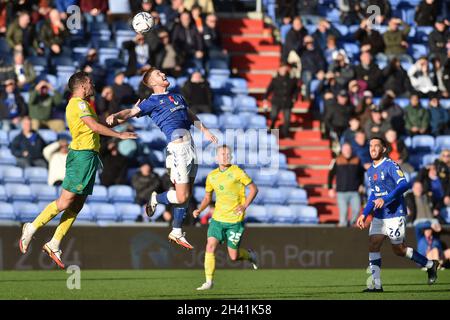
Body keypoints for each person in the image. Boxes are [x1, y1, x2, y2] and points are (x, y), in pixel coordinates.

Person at [19, 71, 137, 269]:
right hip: (81, 156)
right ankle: (32, 227)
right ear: (82, 86)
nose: (93, 86)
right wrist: (120, 136)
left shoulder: (85, 105)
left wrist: (132, 112)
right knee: (65, 201)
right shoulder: (78, 104)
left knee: (77, 204)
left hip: (90, 157)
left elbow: (101, 124)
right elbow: (95, 127)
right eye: (90, 82)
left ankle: (54, 243)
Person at [106, 67, 218, 250]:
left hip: (191, 147)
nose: (163, 74)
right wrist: (115, 115)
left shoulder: (178, 96)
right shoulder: (151, 102)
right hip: (177, 149)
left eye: (162, 73)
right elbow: (130, 113)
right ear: (152, 83)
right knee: (181, 195)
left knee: (186, 195)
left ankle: (176, 231)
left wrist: (205, 130)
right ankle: (156, 199)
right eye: (158, 74)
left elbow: (189, 115)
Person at [356, 137, 439, 292]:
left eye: (376, 146)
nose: (372, 148)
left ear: (384, 149)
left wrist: (386, 199)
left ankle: (429, 264)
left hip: (395, 213)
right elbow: (374, 195)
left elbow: (404, 185)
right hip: (380, 215)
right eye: (370, 146)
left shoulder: (391, 165)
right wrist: (364, 213)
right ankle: (376, 285)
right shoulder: (370, 170)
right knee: (373, 244)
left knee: (399, 250)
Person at [193, 145, 258, 291]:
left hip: (235, 221)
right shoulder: (212, 176)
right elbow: (207, 197)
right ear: (217, 157)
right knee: (210, 246)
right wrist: (200, 209)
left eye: (228, 154)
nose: (225, 156)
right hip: (217, 219)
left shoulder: (237, 172)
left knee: (234, 257)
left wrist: (244, 205)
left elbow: (254, 189)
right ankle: (209, 281)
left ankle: (249, 255)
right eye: (222, 154)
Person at [328, 143, 364, 227]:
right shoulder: (337, 160)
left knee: (357, 210)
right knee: (343, 213)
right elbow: (330, 175)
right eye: (345, 149)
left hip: (354, 191)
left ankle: (351, 224)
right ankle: (342, 230)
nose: (347, 151)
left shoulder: (357, 160)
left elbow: (361, 173)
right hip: (341, 192)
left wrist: (361, 184)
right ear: (342, 150)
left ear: (351, 150)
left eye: (348, 149)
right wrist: (330, 188)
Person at [263, 64, 298, 138]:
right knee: (273, 116)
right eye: (282, 69)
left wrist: (294, 97)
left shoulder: (292, 79)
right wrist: (265, 97)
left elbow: (295, 90)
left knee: (287, 119)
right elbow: (270, 88)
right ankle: (271, 131)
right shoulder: (275, 79)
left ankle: (285, 133)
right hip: (277, 100)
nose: (283, 71)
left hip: (287, 101)